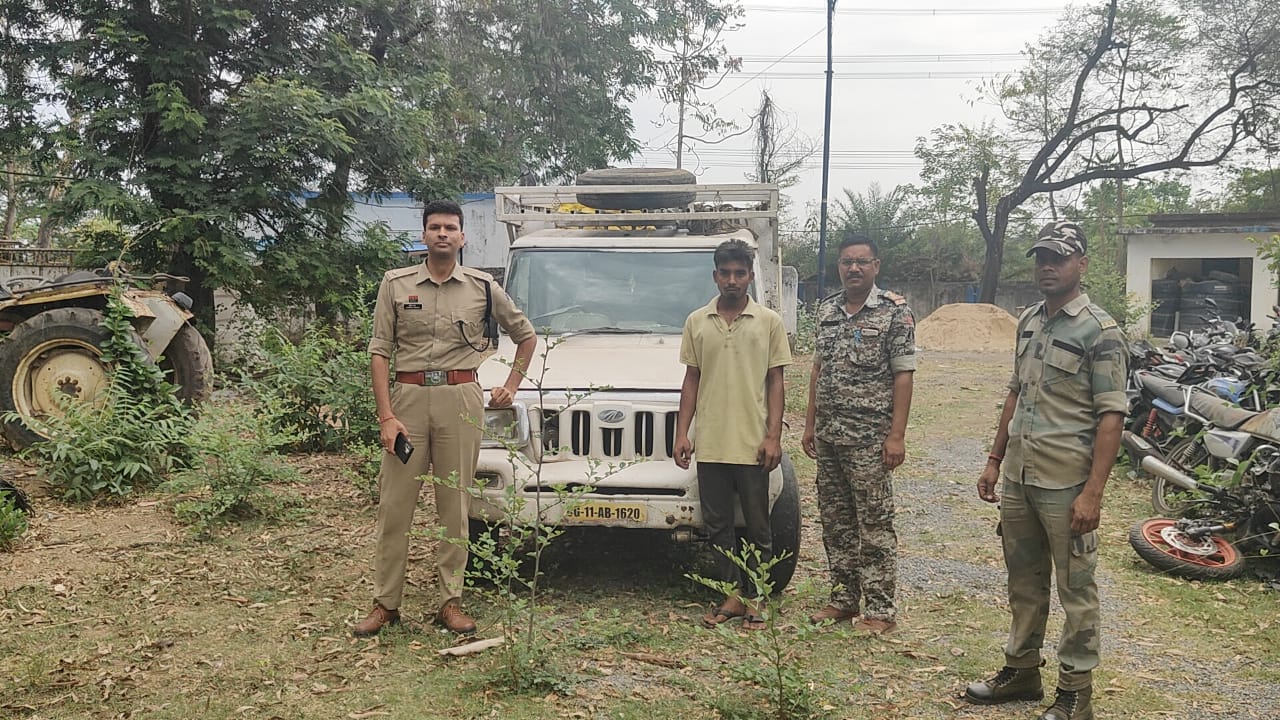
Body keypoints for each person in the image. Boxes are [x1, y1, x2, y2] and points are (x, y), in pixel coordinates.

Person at [964, 221, 1126, 720]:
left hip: (1066, 482)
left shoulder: (1100, 331)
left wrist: (1093, 493)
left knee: (1076, 589)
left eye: (1059, 258)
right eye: (1041, 258)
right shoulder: (1030, 320)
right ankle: (1022, 671)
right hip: (1021, 476)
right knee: (1024, 581)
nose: (1047, 267)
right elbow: (1016, 393)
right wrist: (994, 461)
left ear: (1082, 264)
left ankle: (1076, 692)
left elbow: (1112, 417)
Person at [354, 199, 537, 637]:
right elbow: (379, 351)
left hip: (460, 399)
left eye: (450, 228)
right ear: (423, 235)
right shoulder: (396, 284)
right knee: (395, 506)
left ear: (462, 237)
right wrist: (386, 417)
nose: (442, 234)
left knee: (455, 506)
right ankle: (386, 603)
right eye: (434, 227)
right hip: (408, 401)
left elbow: (526, 336)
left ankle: (449, 602)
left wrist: (511, 386)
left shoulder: (482, 287)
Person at [673, 238, 791, 631]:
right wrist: (682, 433)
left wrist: (773, 437)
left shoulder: (768, 322)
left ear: (751, 276)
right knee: (717, 525)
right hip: (711, 443)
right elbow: (691, 379)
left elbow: (776, 382)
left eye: (740, 273)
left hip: (753, 443)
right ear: (715, 276)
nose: (732, 280)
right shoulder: (697, 321)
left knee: (758, 526)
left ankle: (757, 596)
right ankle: (732, 595)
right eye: (725, 273)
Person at [802, 233, 915, 635]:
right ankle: (843, 599)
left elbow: (904, 376)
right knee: (836, 522)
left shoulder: (894, 314)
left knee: (874, 523)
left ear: (875, 266)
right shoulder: (827, 310)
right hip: (830, 436)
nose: (853, 268)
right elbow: (818, 369)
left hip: (869, 438)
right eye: (847, 262)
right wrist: (810, 423)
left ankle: (881, 610)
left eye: (861, 262)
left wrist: (896, 436)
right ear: (839, 267)